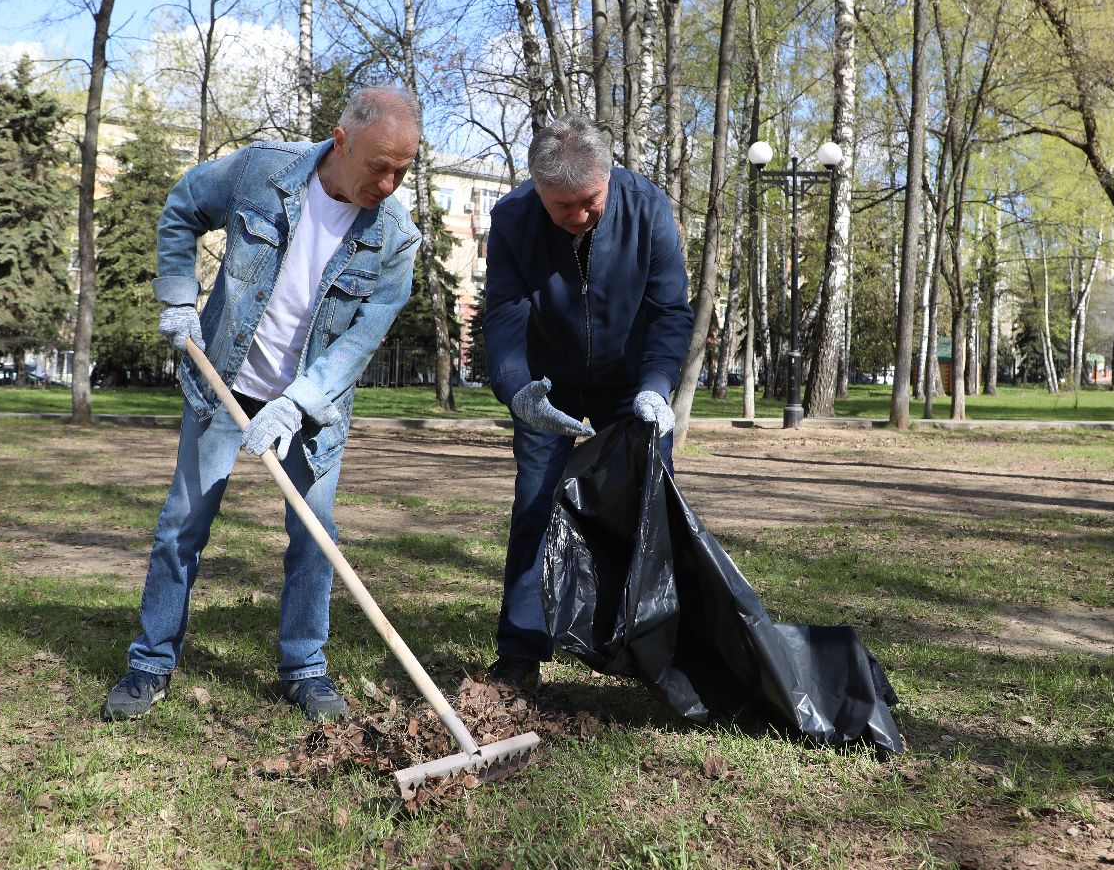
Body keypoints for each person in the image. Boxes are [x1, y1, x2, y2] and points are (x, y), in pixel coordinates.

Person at [102, 87, 422, 722]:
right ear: (342, 141)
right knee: (182, 527)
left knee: (314, 537)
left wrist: (298, 402)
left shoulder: (396, 239)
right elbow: (184, 205)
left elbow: (360, 340)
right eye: (378, 166)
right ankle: (150, 661)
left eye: (403, 171)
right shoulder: (260, 172)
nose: (387, 183)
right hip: (224, 380)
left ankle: (305, 669)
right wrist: (175, 293)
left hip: (312, 406)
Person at [481, 115, 694, 692]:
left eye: (590, 202)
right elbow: (501, 316)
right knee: (534, 508)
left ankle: (650, 646)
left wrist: (656, 384)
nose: (578, 217)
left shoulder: (647, 207)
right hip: (545, 387)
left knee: (647, 511)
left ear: (608, 177)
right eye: (562, 207)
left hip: (632, 388)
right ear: (537, 190)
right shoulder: (512, 219)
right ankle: (522, 651)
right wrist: (518, 390)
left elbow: (671, 309)